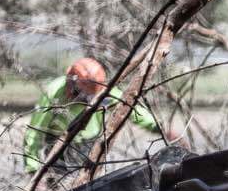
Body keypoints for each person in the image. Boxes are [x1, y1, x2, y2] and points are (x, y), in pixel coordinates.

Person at [23, 57, 167, 173]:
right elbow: (35, 131)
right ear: (71, 82)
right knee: (59, 190)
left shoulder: (103, 91)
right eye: (83, 93)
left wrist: (159, 127)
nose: (88, 99)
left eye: (92, 94)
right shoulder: (54, 92)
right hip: (57, 145)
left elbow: (130, 108)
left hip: (89, 144)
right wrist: (32, 167)